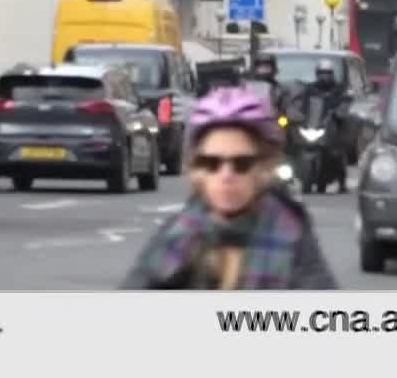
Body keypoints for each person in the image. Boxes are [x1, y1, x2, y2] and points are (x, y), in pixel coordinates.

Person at [120, 87, 336, 289]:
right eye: (212, 163)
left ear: (264, 168)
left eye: (241, 164)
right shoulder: (178, 233)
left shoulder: (291, 236)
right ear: (196, 170)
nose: (226, 175)